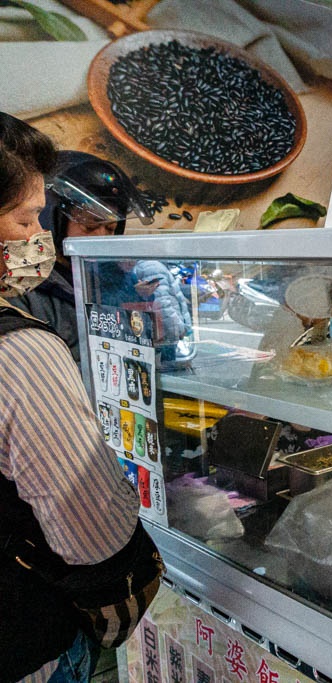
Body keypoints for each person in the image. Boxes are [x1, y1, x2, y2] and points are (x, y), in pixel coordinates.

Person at [0, 113, 143, 682]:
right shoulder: (19, 350)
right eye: (25, 217)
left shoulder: (117, 279)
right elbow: (93, 533)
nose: (36, 234)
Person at [6, 151, 152, 362]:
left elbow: (150, 346)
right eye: (90, 226)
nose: (100, 238)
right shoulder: (23, 285)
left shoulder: (120, 280)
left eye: (110, 229)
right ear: (52, 221)